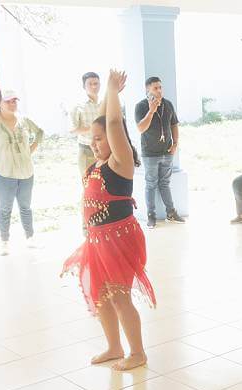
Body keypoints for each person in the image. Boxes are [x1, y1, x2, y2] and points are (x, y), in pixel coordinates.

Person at [62, 69, 155, 371]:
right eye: (92, 139)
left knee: (119, 296)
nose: (94, 143)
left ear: (116, 141)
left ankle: (137, 352)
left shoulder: (120, 160)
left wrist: (113, 91)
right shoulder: (98, 164)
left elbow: (112, 122)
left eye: (100, 139)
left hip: (118, 239)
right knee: (102, 295)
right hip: (96, 239)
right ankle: (115, 347)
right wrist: (104, 101)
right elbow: (102, 122)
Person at [0, 89, 44, 255]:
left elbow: (40, 132)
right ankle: (4, 241)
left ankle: (30, 238)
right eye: (8, 101)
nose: (12, 104)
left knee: (26, 207)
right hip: (4, 172)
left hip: (26, 172)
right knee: (5, 208)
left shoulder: (24, 120)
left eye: (14, 101)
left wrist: (30, 150)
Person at [135, 76, 184, 228]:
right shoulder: (141, 106)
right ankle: (151, 215)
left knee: (165, 183)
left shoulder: (168, 104)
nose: (159, 90)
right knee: (151, 184)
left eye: (160, 87)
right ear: (147, 89)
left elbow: (174, 125)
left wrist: (175, 144)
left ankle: (171, 212)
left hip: (167, 152)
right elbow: (141, 128)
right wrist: (151, 111)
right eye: (155, 88)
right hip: (150, 153)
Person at [70, 72, 102, 176]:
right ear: (84, 86)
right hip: (87, 151)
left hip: (105, 150)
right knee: (88, 185)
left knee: (105, 185)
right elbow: (73, 130)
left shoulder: (104, 103)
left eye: (96, 83)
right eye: (90, 84)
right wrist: (93, 129)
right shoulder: (78, 106)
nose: (94, 86)